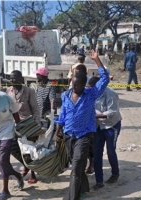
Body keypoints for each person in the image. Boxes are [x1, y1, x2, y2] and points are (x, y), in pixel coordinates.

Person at [55, 49, 110, 200]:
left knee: (75, 168)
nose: (74, 88)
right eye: (73, 85)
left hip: (84, 136)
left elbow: (105, 78)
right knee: (77, 166)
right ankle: (84, 189)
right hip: (68, 136)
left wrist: (97, 60)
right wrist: (58, 130)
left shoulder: (91, 94)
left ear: (84, 85)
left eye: (77, 86)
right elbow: (63, 114)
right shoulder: (66, 95)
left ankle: (72, 197)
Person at [5, 70, 40, 184]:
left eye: (14, 78)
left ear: (21, 79)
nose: (12, 80)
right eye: (11, 78)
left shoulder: (29, 91)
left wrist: (36, 124)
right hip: (13, 125)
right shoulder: (8, 91)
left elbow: (35, 109)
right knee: (14, 148)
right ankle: (26, 166)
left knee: (28, 149)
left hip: (27, 125)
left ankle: (33, 173)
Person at [88, 77, 122, 190]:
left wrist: (95, 115)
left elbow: (112, 112)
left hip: (111, 125)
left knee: (111, 151)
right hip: (98, 126)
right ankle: (99, 181)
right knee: (97, 152)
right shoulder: (91, 94)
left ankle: (115, 173)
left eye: (93, 87)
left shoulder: (110, 94)